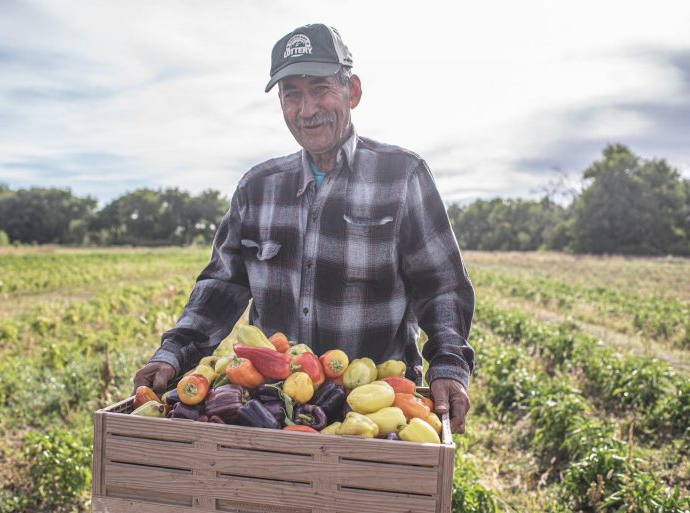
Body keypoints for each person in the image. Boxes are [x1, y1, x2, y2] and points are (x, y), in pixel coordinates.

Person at [133, 23, 475, 433]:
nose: (307, 109)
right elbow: (220, 287)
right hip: (274, 412)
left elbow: (442, 286)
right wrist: (173, 353)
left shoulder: (401, 176)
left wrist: (449, 365)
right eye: (291, 94)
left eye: (320, 88)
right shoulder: (257, 187)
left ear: (352, 92)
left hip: (375, 415)